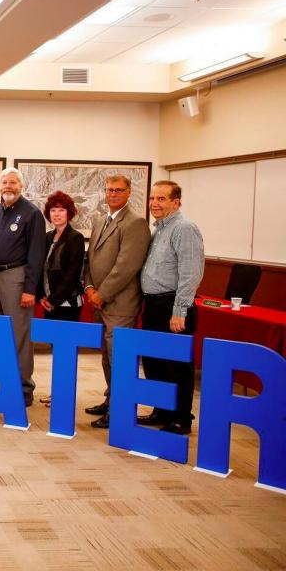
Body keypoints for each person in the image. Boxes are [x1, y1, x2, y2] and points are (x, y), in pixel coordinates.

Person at [82, 175, 151, 429]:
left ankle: (120, 409)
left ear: (129, 193)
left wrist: (102, 294)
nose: (113, 194)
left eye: (118, 190)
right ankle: (111, 399)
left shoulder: (135, 222)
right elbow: (90, 259)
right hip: (99, 300)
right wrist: (89, 287)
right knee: (106, 357)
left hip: (120, 303)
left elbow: (127, 265)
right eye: (109, 190)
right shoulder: (101, 219)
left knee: (120, 357)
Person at [138, 180, 204, 435]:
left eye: (161, 199)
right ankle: (162, 411)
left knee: (177, 365)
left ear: (176, 202)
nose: (154, 203)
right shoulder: (160, 229)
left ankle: (181, 418)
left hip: (173, 306)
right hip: (154, 305)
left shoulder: (184, 228)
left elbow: (191, 272)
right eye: (152, 198)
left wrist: (180, 310)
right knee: (155, 362)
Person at [0, 167, 46, 407]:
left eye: (13, 183)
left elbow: (36, 254)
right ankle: (1, 378)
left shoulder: (31, 213)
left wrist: (30, 288)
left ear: (21, 186)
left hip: (17, 277)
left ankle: (23, 387)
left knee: (19, 334)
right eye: (4, 182)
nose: (8, 186)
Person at [35, 190, 86, 407]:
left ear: (69, 213)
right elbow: (40, 269)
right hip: (49, 301)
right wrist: (41, 297)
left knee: (66, 350)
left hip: (67, 303)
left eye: (61, 210)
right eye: (53, 210)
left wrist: (54, 299)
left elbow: (71, 274)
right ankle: (57, 392)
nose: (57, 214)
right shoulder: (48, 237)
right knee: (56, 349)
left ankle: (64, 396)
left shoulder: (75, 238)